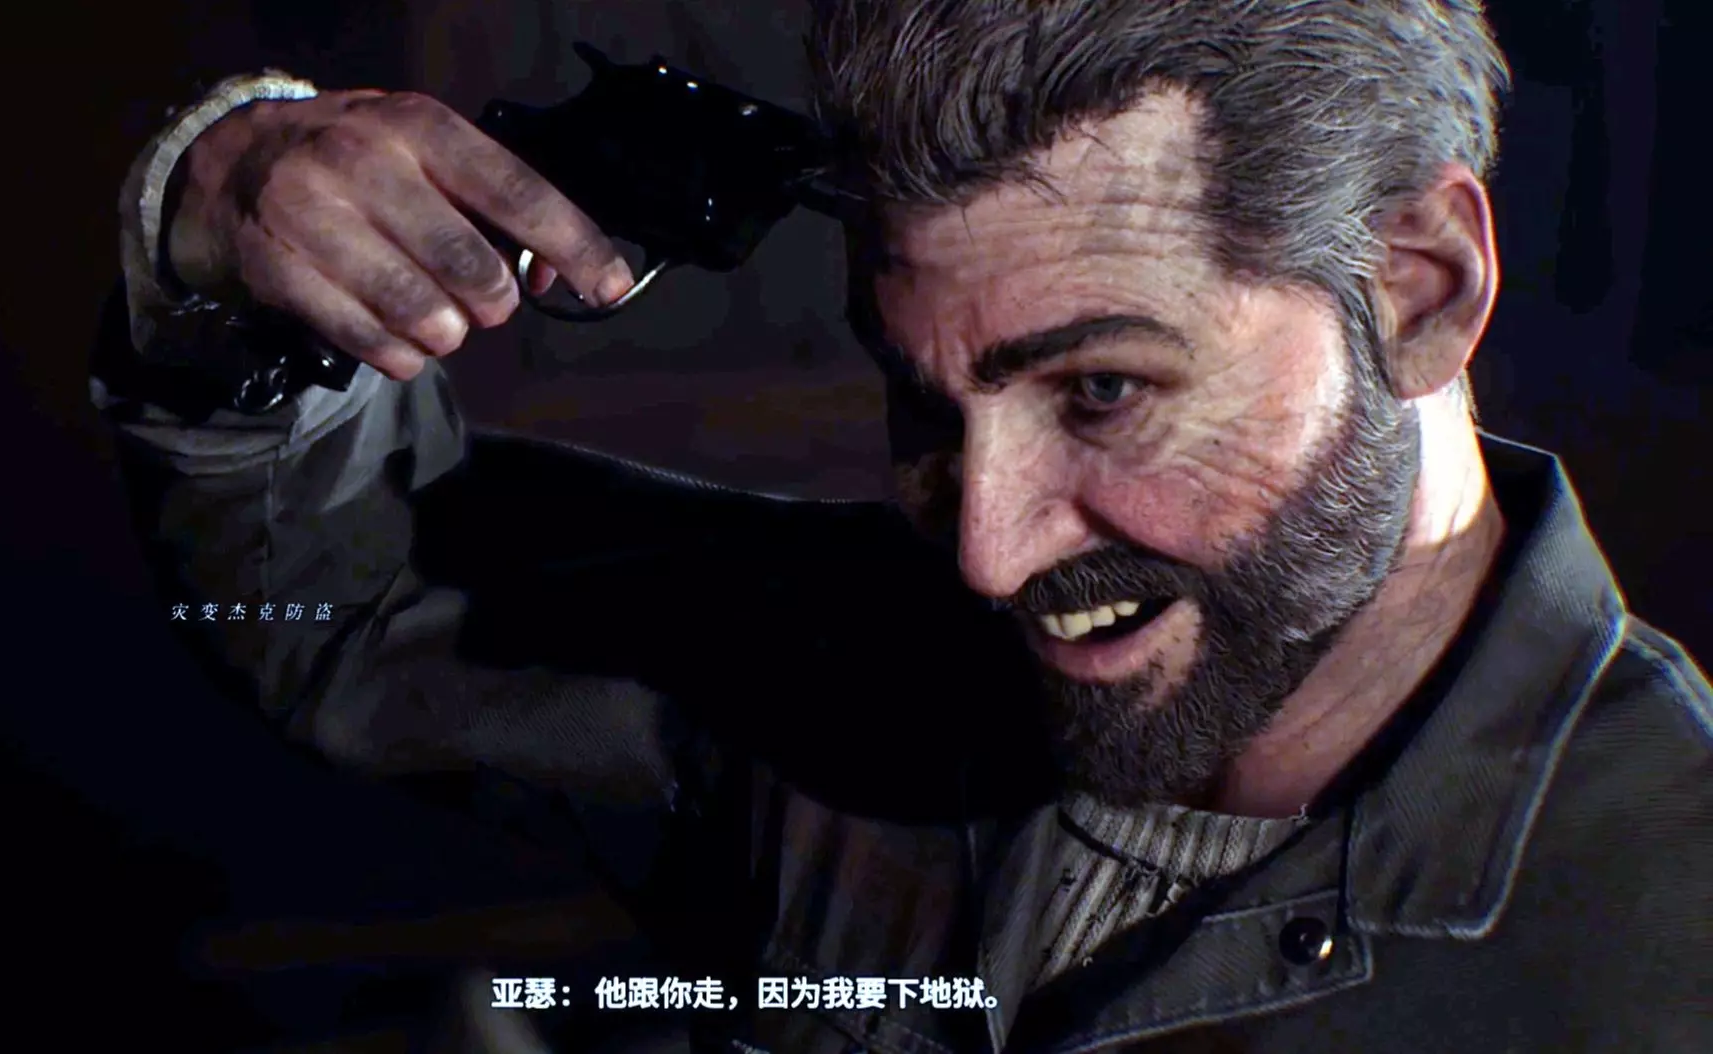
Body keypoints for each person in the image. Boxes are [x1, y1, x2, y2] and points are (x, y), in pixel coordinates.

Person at [90, 2, 1713, 1051]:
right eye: (924, 406)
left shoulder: (1673, 943)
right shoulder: (862, 662)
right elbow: (343, 605)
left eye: (1100, 392)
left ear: (1419, 290)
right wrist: (222, 217)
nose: (985, 552)